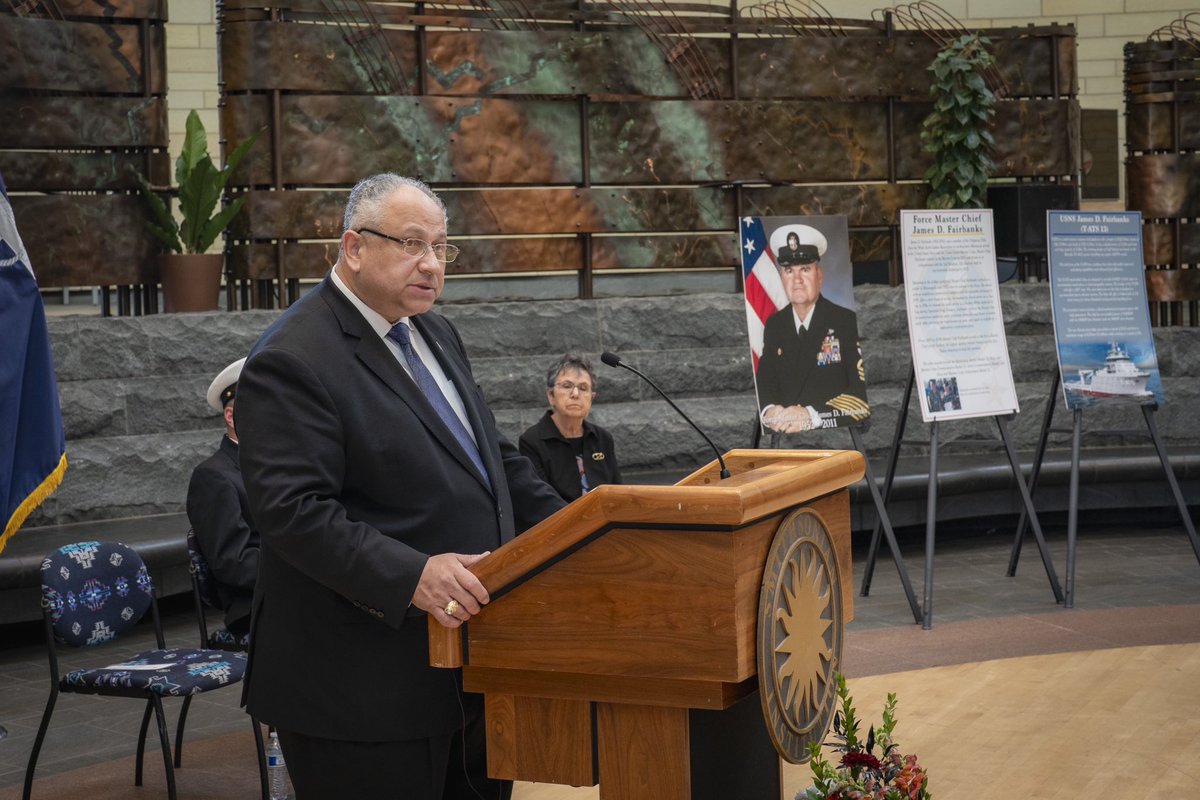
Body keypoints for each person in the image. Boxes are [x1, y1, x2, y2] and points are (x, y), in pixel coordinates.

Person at [235, 173, 566, 799]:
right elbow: (292, 512)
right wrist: (413, 574)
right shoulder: (293, 357)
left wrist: (583, 525)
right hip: (363, 688)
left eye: (442, 248)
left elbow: (490, 460)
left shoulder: (434, 331)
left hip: (470, 665)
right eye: (413, 244)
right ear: (353, 248)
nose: (432, 264)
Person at [756, 225, 869, 433]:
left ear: (819, 275)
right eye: (789, 271)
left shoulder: (843, 320)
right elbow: (765, 379)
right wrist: (770, 410)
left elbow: (859, 395)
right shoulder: (775, 325)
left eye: (805, 269)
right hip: (787, 434)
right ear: (782, 277)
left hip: (835, 436)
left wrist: (812, 414)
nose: (796, 280)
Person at [185, 357, 257, 637]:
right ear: (231, 417)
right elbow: (233, 562)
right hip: (255, 604)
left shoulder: (274, 464)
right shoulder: (213, 476)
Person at [518, 353, 621, 501]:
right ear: (550, 394)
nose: (575, 394)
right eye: (567, 386)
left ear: (592, 397)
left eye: (583, 388)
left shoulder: (602, 438)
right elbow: (538, 501)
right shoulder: (532, 442)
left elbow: (617, 492)